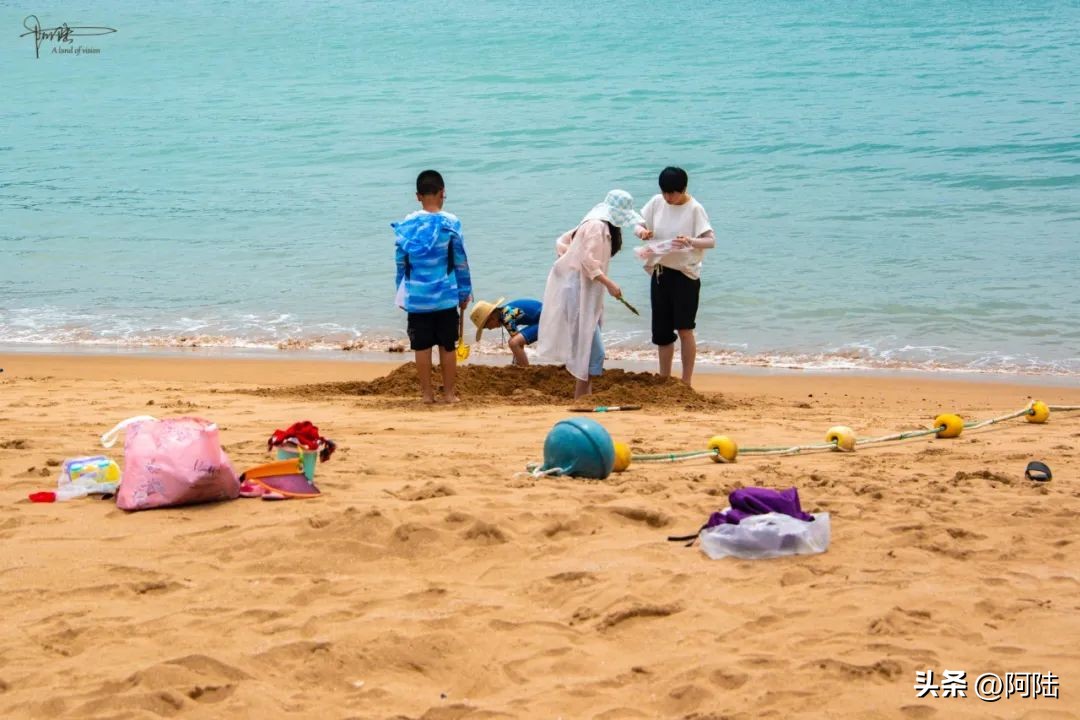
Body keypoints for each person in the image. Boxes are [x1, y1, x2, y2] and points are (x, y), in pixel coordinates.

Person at [535, 189, 643, 399]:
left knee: (587, 347)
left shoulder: (596, 223)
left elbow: (565, 242)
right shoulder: (597, 226)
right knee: (592, 350)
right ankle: (581, 397)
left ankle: (583, 396)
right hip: (578, 290)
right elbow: (586, 260)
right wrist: (609, 284)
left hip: (584, 290)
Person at [393, 170, 472, 403]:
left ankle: (427, 394)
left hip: (417, 297)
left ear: (418, 196)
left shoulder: (406, 226)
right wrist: (464, 292)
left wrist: (402, 293)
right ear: (442, 193)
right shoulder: (451, 223)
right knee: (447, 346)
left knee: (422, 346)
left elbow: (401, 264)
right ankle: (449, 394)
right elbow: (460, 262)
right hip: (445, 296)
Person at [634, 166, 715, 385]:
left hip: (685, 275)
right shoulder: (656, 202)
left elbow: (710, 240)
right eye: (665, 192)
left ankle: (686, 381)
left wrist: (690, 240)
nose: (668, 198)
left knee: (685, 328)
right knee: (661, 331)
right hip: (660, 272)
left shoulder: (695, 208)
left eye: (672, 193)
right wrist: (642, 232)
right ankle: (664, 377)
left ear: (683, 189)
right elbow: (638, 222)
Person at [469, 297, 543, 366]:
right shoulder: (504, 312)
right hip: (544, 319)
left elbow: (516, 344)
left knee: (513, 343)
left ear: (492, 318)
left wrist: (515, 363)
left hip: (546, 321)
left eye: (487, 327)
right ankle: (521, 366)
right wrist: (514, 363)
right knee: (514, 341)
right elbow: (519, 345)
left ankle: (525, 369)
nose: (490, 329)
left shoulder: (506, 317)